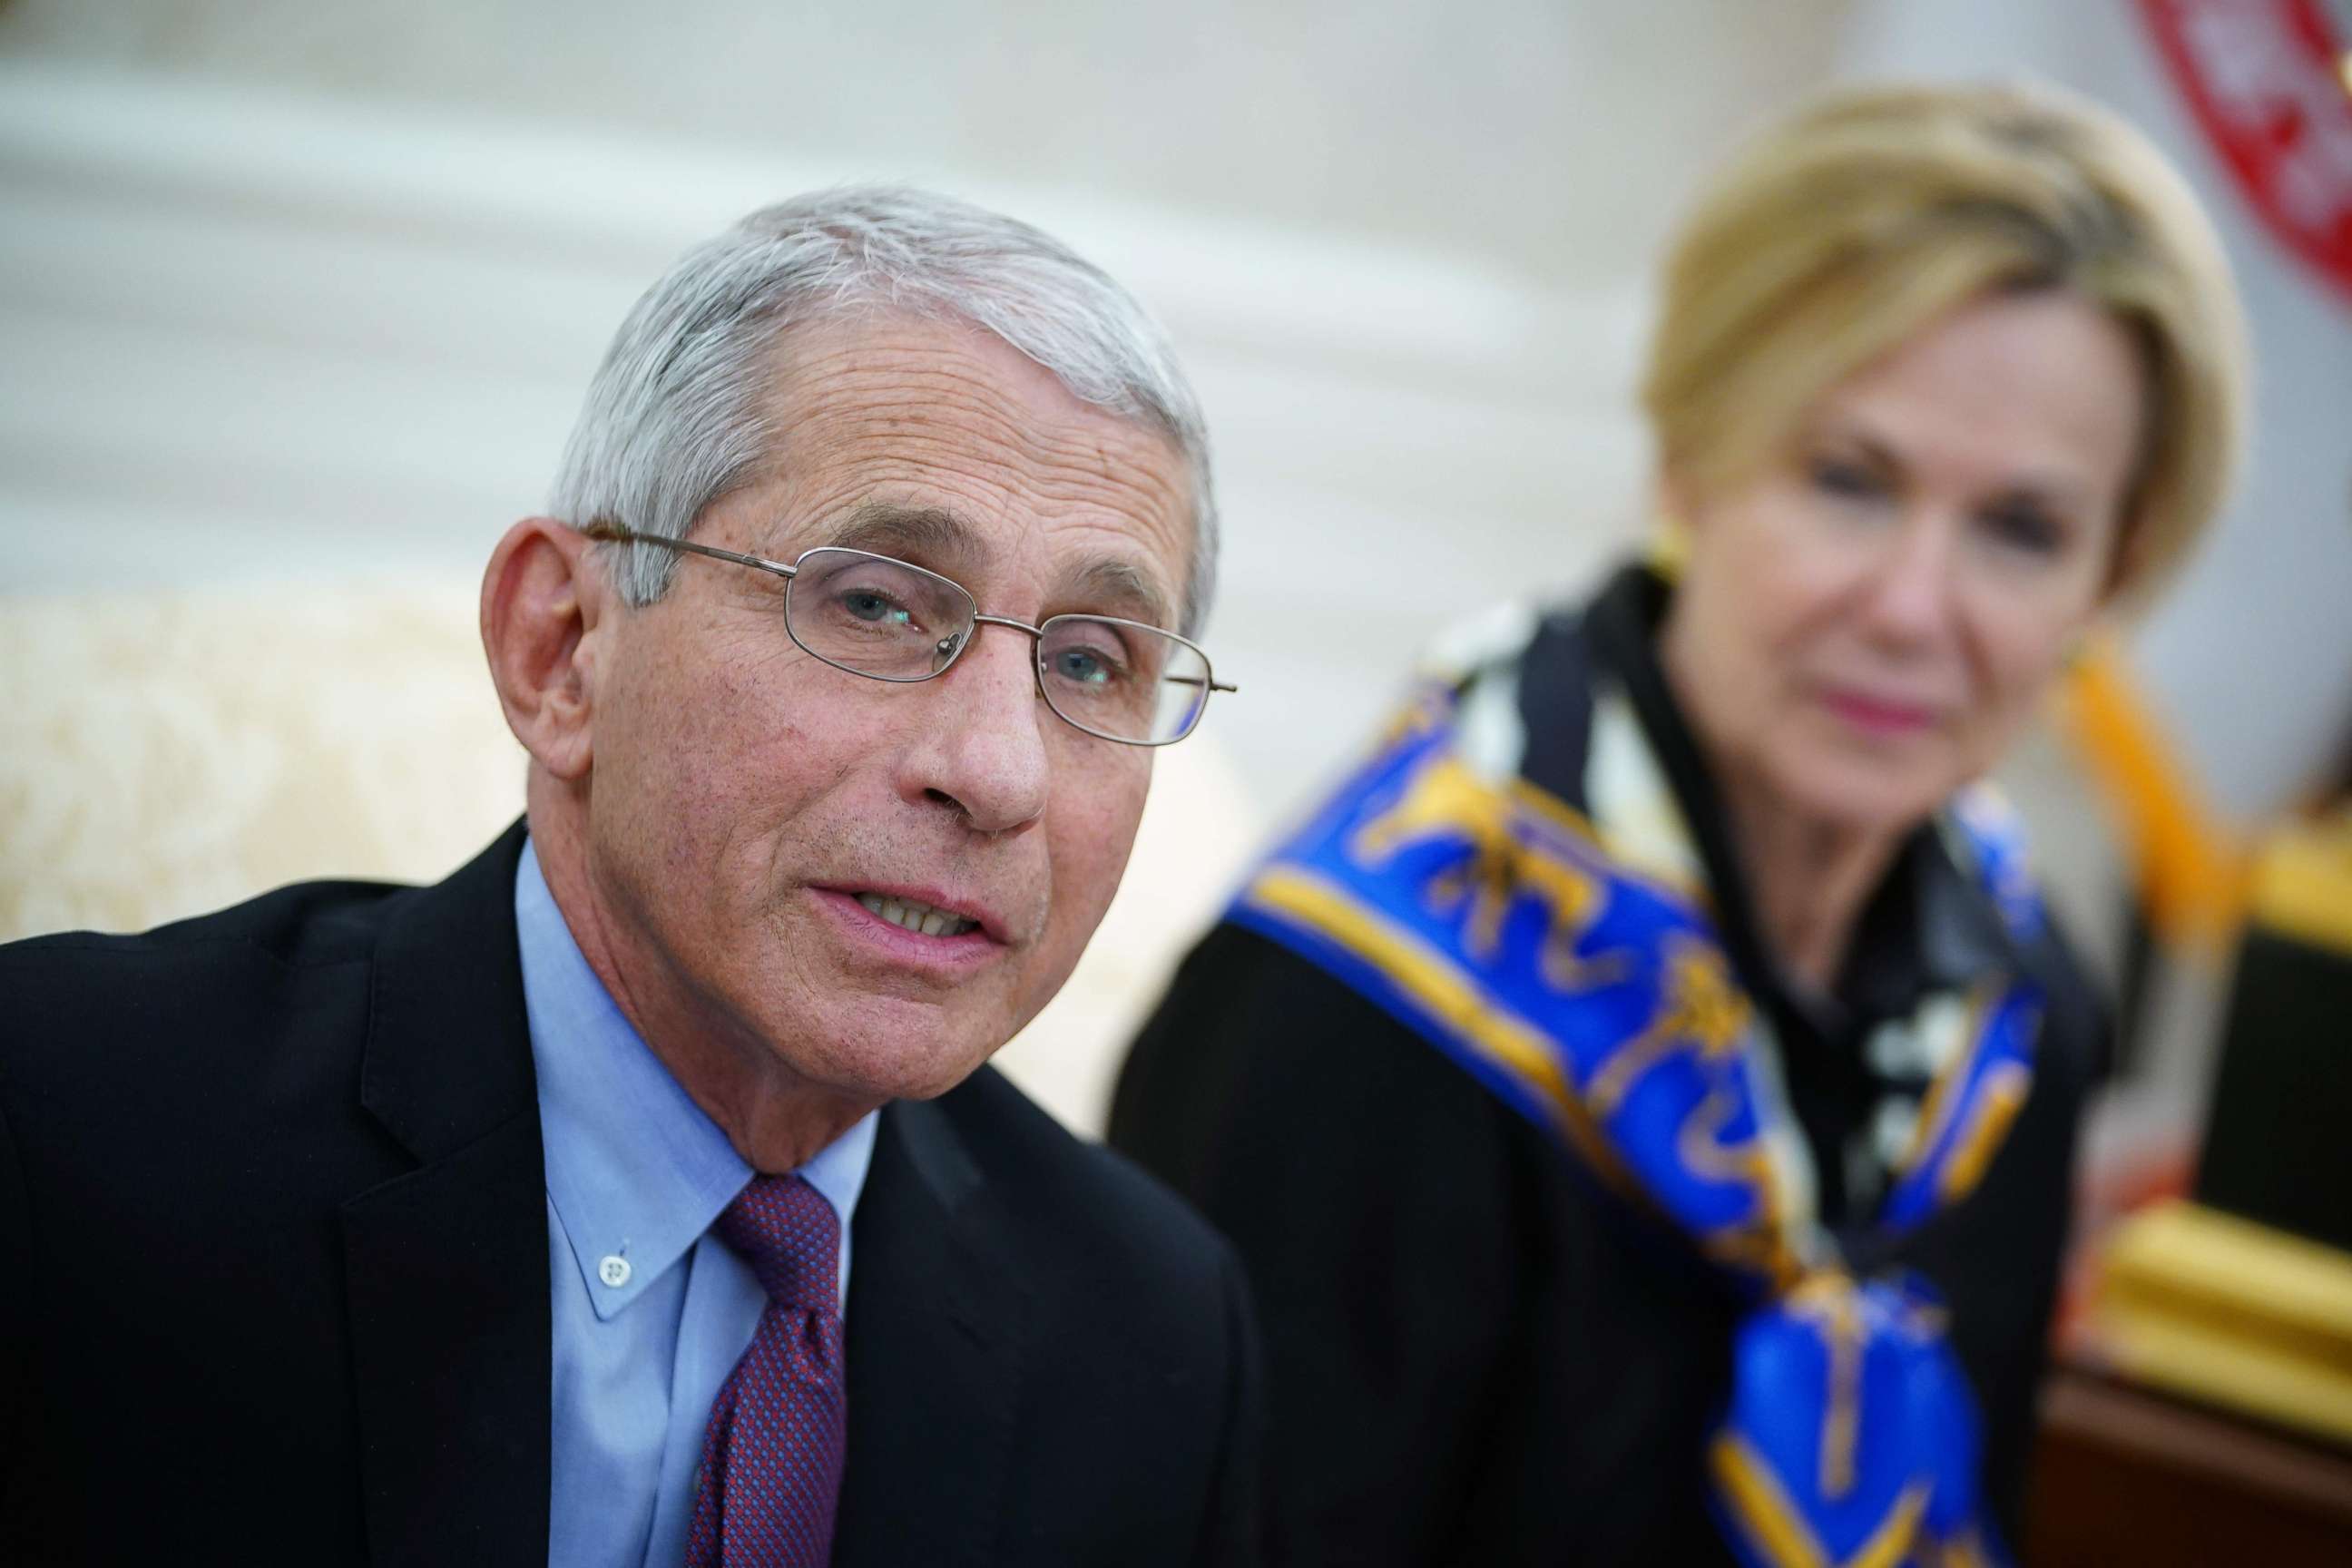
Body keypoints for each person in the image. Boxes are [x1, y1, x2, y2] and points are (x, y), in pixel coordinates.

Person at [0, 188, 1260, 1566]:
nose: (999, 773)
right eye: (878, 604)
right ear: (564, 651)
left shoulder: (1155, 1342)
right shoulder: (67, 1138)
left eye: (1088, 662)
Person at [1111, 82, 2246, 1566]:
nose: (1913, 608)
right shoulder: (1348, 1014)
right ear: (1688, 464)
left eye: (2021, 530)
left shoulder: (2024, 1010)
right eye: (1849, 481)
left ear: (2114, 576)